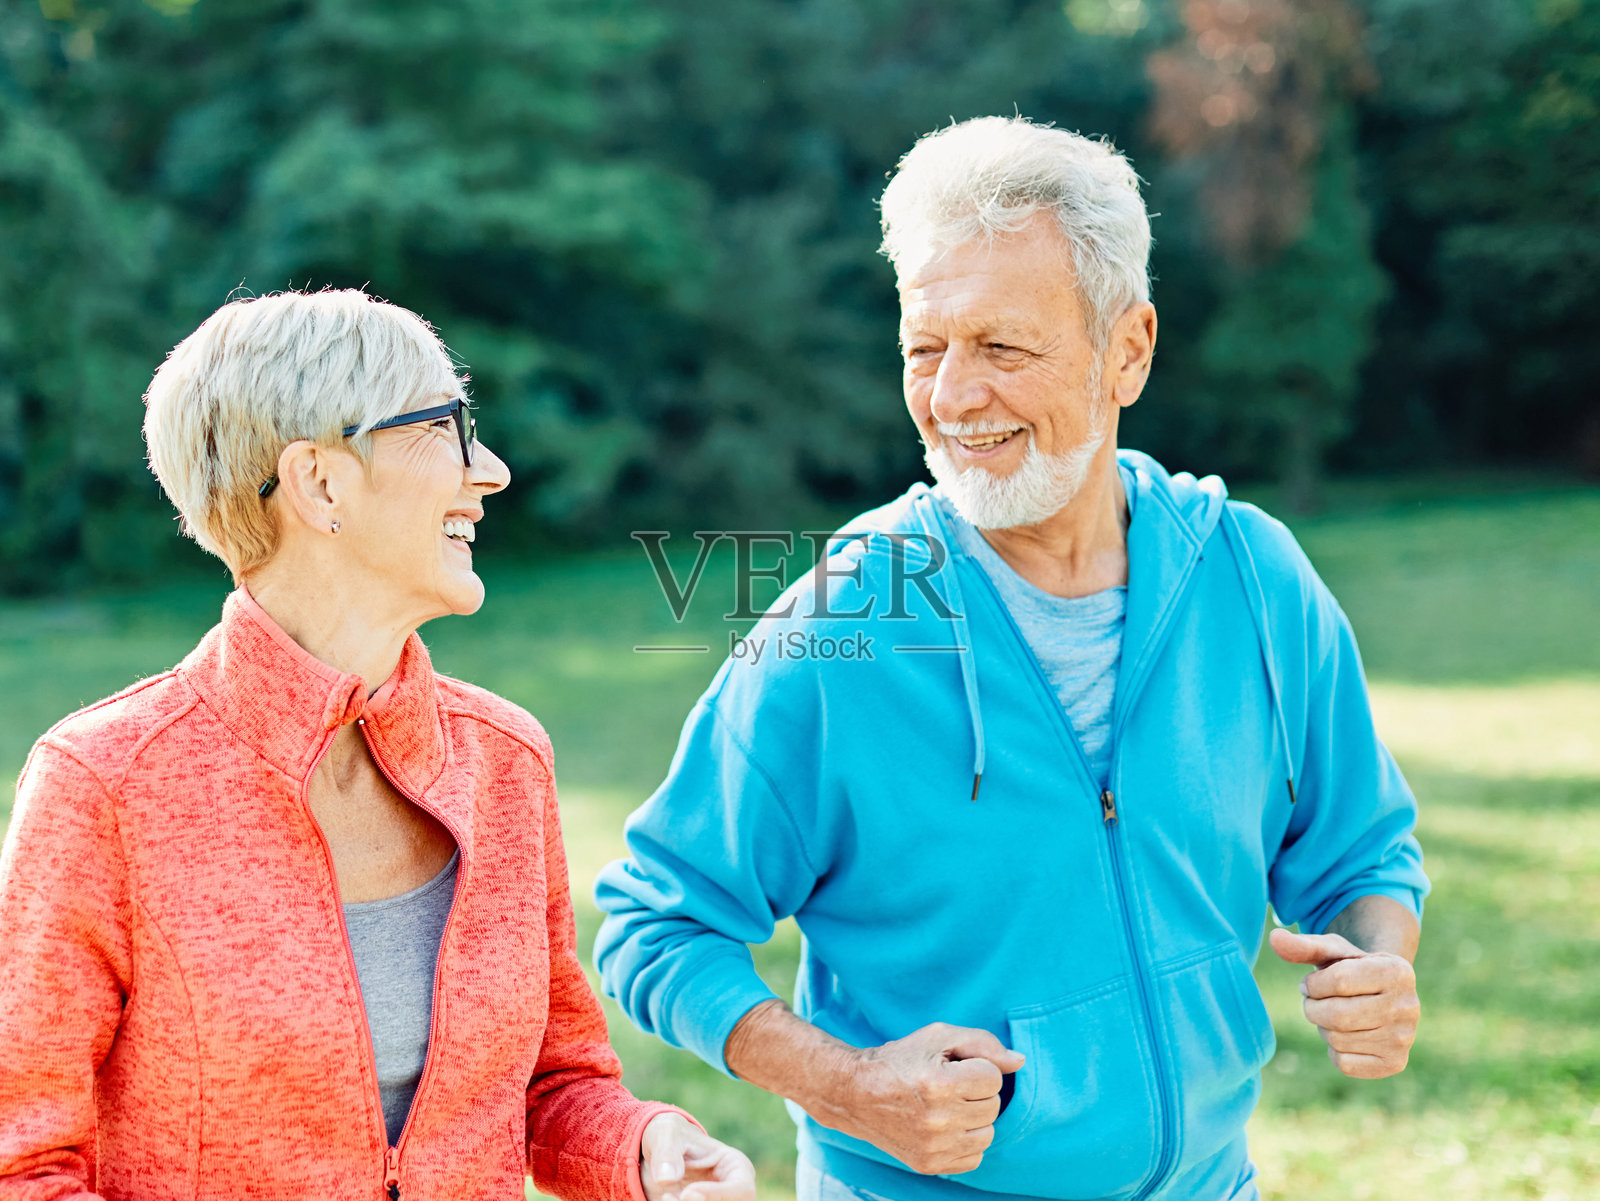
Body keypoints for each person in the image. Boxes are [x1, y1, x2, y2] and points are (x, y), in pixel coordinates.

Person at [593, 117, 1428, 1201]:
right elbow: (660, 921)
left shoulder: (1253, 577)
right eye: (924, 349)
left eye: (1001, 348)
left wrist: (1378, 961)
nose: (950, 397)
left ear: (1128, 349)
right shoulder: (846, 624)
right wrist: (849, 1085)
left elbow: (1358, 854)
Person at [0, 290, 755, 1201]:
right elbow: (21, 1164)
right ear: (321, 483)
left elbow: (553, 1085)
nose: (492, 472)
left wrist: (641, 1145)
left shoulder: (505, 759)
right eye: (446, 428)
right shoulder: (104, 784)